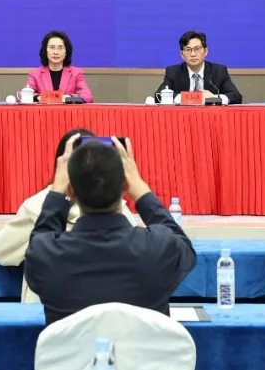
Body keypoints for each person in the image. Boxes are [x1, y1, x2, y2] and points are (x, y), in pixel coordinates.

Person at [24, 135, 197, 325]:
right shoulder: (159, 247)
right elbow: (185, 248)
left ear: (70, 191)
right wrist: (141, 191)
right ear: (125, 185)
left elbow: (39, 241)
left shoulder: (47, 254)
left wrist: (57, 192)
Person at [0, 128, 136, 302]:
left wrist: (56, 190)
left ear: (62, 168)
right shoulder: (118, 209)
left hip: (45, 313)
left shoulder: (37, 207)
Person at [156, 30, 242, 104]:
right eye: (188, 50)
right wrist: (192, 98)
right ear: (182, 54)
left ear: (205, 51)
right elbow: (158, 96)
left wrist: (214, 97)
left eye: (197, 49)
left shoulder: (219, 71)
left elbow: (236, 96)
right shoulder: (173, 72)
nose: (193, 54)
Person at [25, 31, 93, 103]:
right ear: (45, 51)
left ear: (66, 52)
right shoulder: (35, 74)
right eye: (52, 47)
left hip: (67, 110)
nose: (56, 52)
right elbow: (22, 95)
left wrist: (67, 98)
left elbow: (87, 97)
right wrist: (39, 97)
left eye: (60, 48)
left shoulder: (76, 73)